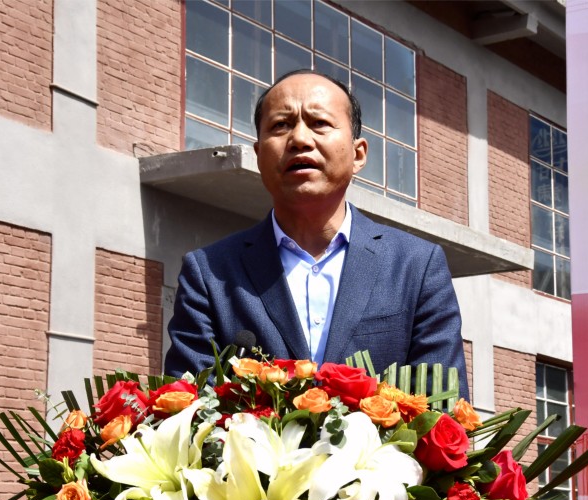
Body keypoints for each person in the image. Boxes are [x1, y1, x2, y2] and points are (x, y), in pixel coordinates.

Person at [165, 70, 469, 400]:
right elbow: (188, 408)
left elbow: (442, 407)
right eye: (281, 125)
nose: (299, 139)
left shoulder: (416, 266)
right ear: (258, 154)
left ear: (358, 154)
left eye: (319, 123)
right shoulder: (210, 272)